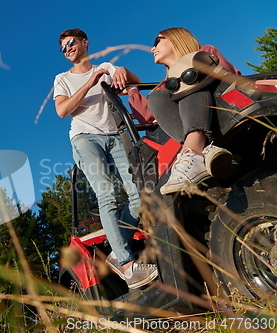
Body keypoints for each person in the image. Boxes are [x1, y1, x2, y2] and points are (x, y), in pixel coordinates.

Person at [53, 28, 157, 289]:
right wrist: (91, 82)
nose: (67, 49)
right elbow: (62, 110)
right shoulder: (62, 79)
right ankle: (126, 264)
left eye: (71, 43)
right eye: (63, 47)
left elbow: (133, 80)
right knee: (107, 193)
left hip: (115, 135)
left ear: (84, 42)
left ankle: (116, 250)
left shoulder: (106, 66)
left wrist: (122, 70)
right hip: (85, 138)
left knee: (139, 195)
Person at [127, 27, 241, 195]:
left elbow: (228, 80)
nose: (152, 48)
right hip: (206, 132)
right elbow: (147, 117)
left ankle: (193, 151)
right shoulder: (163, 89)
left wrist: (188, 77)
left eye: (157, 41)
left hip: (224, 111)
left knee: (193, 75)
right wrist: (132, 90)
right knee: (157, 98)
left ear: (176, 38)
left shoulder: (205, 53)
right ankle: (207, 151)